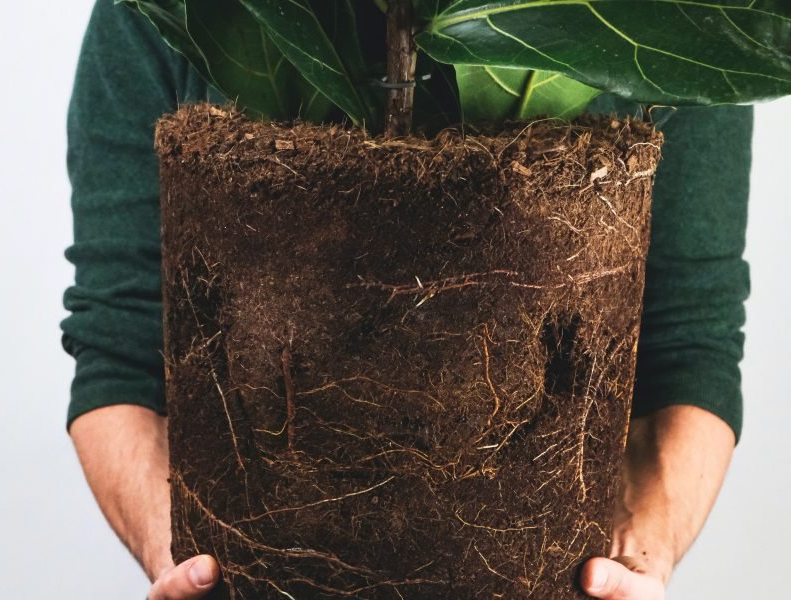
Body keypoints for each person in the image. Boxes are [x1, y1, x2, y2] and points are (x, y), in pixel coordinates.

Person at [62, 2, 752, 599]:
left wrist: (641, 550)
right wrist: (185, 561)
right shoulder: (158, 16)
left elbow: (689, 337)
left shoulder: (684, 14)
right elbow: (119, 344)